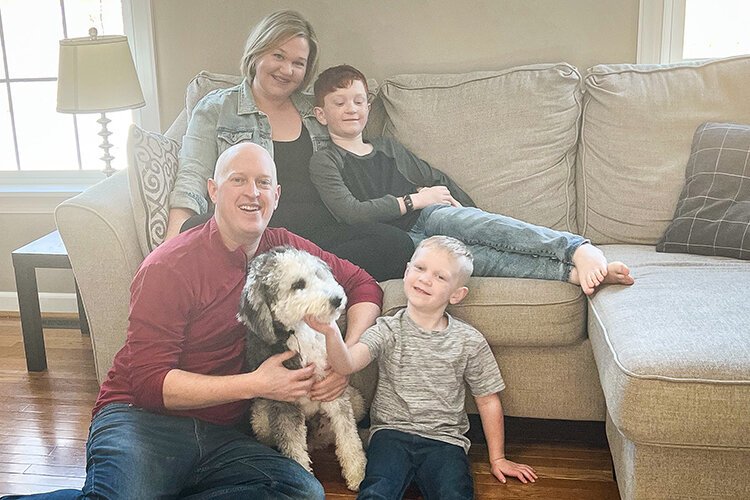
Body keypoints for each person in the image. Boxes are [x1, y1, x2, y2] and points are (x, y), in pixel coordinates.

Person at [1, 143, 383, 500]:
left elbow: (362, 285)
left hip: (224, 431)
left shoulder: (287, 250)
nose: (253, 192)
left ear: (276, 195)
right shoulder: (169, 266)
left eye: (263, 183)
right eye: (238, 180)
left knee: (301, 492)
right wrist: (256, 383)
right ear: (213, 190)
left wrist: (343, 359)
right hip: (143, 419)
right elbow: (150, 385)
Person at [309, 64, 637, 295]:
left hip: (431, 215)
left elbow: (435, 178)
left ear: (368, 104)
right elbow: (349, 212)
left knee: (484, 230)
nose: (351, 109)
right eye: (339, 103)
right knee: (479, 260)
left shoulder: (388, 149)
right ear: (322, 114)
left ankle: (576, 248)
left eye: (359, 100)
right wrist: (413, 200)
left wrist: (467, 210)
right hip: (406, 242)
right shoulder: (325, 160)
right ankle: (570, 274)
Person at [166, 10, 414, 281]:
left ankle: (293, 278)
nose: (287, 70)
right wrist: (167, 252)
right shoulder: (217, 108)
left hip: (321, 239)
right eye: (278, 56)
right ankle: (302, 279)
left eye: (298, 63)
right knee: (197, 230)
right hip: (255, 234)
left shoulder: (317, 112)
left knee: (396, 243)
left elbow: (357, 155)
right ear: (257, 53)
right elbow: (191, 178)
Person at [308, 236, 538, 498]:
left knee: (455, 493)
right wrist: (330, 332)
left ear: (457, 294)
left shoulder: (469, 340)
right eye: (420, 268)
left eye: (440, 277)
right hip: (390, 435)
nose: (426, 279)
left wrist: (498, 458)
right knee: (376, 491)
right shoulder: (386, 329)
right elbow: (346, 364)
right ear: (406, 271)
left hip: (445, 442)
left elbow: (488, 400)